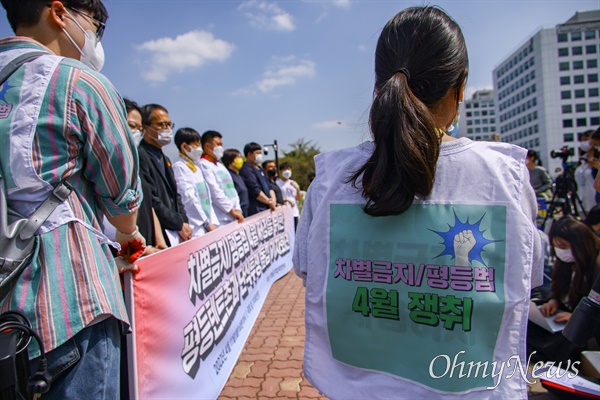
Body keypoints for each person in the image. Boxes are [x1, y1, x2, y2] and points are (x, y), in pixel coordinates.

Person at [293, 6, 543, 399]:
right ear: (460, 90)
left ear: (379, 87)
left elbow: (312, 275)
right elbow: (526, 281)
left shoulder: (328, 180)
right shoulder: (504, 177)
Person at [0, 0, 145, 397]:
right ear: (60, 13)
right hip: (64, 303)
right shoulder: (77, 80)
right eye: (95, 25)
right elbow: (121, 190)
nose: (95, 38)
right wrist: (128, 234)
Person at [530, 217, 600, 362]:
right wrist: (553, 300)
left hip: (586, 328)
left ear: (579, 244)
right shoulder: (565, 263)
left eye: (563, 246)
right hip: (561, 317)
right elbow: (558, 288)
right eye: (557, 247)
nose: (560, 252)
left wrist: (577, 318)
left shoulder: (596, 266)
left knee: (561, 344)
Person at [138, 103, 192, 247]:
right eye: (161, 125)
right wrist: (178, 223)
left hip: (177, 231)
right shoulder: (140, 155)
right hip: (159, 232)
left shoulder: (165, 159)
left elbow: (176, 194)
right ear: (145, 127)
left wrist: (183, 221)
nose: (167, 129)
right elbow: (152, 199)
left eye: (169, 125)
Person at [172, 127, 219, 237]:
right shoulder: (180, 167)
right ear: (184, 146)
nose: (200, 149)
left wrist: (212, 221)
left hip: (208, 224)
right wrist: (206, 223)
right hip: (196, 226)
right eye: (196, 145)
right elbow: (188, 198)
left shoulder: (195, 167)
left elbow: (207, 197)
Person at [199, 130, 244, 225]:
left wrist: (237, 208)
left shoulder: (220, 166)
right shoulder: (204, 165)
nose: (221, 148)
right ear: (207, 146)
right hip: (221, 217)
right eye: (218, 144)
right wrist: (231, 210)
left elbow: (232, 189)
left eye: (221, 145)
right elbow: (215, 191)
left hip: (235, 215)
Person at [239, 142, 276, 216]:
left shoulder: (261, 169)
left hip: (267, 207)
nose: (260, 155)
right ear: (249, 154)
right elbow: (254, 189)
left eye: (260, 153)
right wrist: (268, 201)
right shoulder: (246, 169)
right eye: (257, 153)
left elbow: (269, 187)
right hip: (257, 209)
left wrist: (273, 201)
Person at [222, 148, 249, 217]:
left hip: (245, 209)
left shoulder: (237, 175)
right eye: (238, 157)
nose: (241, 159)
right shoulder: (228, 175)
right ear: (231, 160)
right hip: (237, 211)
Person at [277, 162, 301, 229]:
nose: (287, 171)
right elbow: (277, 199)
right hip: (283, 211)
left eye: (288, 169)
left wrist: (298, 188)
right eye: (284, 169)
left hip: (294, 212)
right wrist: (286, 200)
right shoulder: (278, 183)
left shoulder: (293, 183)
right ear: (280, 171)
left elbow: (298, 198)